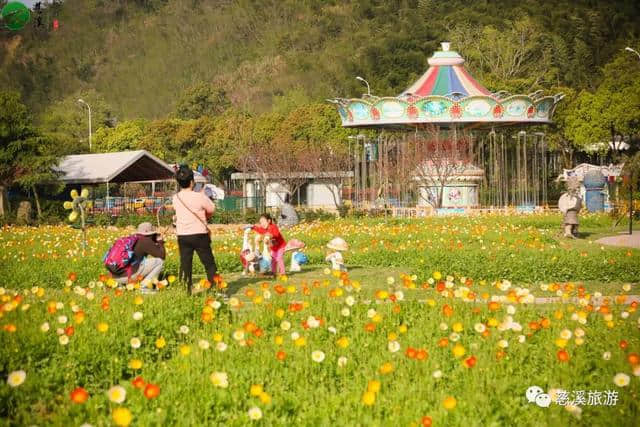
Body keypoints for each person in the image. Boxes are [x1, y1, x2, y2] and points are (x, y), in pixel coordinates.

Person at [172, 165, 218, 295]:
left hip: (183, 235)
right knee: (208, 262)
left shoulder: (176, 198)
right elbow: (211, 210)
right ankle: (214, 286)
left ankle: (186, 290)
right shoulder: (200, 196)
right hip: (199, 234)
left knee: (185, 263)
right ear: (192, 182)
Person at [112, 222, 165, 290]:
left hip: (115, 277)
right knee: (159, 262)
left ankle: (121, 285)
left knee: (137, 264)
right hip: (127, 277)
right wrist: (160, 241)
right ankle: (145, 287)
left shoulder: (131, 239)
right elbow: (162, 255)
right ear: (150, 233)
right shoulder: (145, 241)